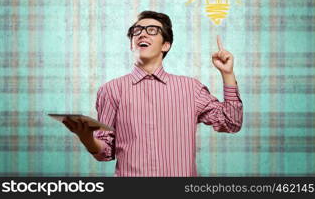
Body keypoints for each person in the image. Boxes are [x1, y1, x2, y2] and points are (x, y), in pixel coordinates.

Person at [63, 10, 243, 177]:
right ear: (131, 44)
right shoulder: (110, 90)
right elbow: (106, 152)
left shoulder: (191, 89)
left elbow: (231, 123)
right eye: (137, 30)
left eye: (152, 30)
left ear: (166, 45)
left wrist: (227, 73)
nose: (142, 33)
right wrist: (86, 137)